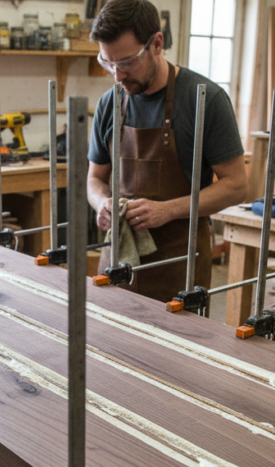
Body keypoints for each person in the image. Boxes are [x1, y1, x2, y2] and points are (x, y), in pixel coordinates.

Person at [87, 0, 248, 303]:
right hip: (117, 261)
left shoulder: (205, 99)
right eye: (108, 63)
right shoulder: (109, 103)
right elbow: (94, 179)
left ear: (157, 44)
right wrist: (102, 204)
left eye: (127, 62)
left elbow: (237, 186)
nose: (117, 76)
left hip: (179, 264)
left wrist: (168, 210)